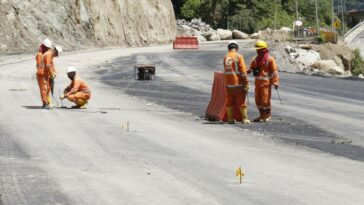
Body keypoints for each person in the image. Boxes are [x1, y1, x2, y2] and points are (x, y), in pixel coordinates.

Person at [248, 40, 279, 122]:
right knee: (258, 101)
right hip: (257, 83)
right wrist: (245, 72)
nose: (258, 51)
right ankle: (261, 115)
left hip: (266, 83)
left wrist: (276, 82)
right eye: (257, 50)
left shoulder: (270, 59)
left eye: (260, 49)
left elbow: (275, 71)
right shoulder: (255, 59)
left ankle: (267, 115)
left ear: (264, 49)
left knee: (265, 101)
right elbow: (251, 68)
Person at [223, 40, 250, 124]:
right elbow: (243, 71)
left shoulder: (225, 57)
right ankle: (245, 119)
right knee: (241, 101)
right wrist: (246, 83)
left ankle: (230, 119)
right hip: (238, 84)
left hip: (229, 84)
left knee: (229, 101)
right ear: (237, 48)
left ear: (229, 48)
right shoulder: (239, 56)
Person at [35, 38, 52, 108]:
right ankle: (45, 103)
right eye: (47, 48)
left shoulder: (45, 54)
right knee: (44, 89)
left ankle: (47, 101)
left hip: (45, 74)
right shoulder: (39, 54)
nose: (48, 49)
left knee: (48, 88)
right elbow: (41, 66)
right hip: (41, 75)